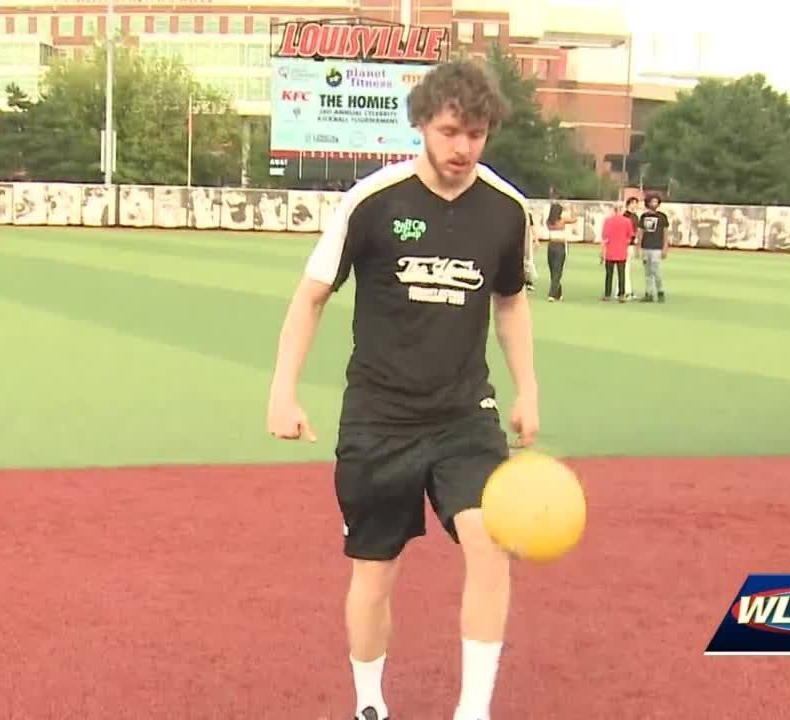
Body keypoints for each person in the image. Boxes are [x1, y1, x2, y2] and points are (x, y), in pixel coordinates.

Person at [266, 59, 539, 720]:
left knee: (490, 542)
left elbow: (511, 304)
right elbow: (310, 298)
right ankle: (369, 702)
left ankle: (473, 710)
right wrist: (282, 392)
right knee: (374, 570)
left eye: (476, 134)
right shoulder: (373, 201)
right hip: (378, 418)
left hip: (463, 415)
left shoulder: (506, 210)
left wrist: (527, 389)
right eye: (450, 131)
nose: (463, 148)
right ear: (422, 123)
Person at [638, 193, 670, 302]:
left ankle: (660, 291)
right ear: (648, 203)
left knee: (656, 271)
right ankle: (649, 293)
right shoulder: (644, 216)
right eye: (652, 201)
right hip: (646, 247)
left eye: (656, 201)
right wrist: (639, 247)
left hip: (657, 248)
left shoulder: (662, 217)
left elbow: (666, 233)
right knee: (647, 272)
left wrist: (665, 247)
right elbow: (640, 232)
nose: (654, 203)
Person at [601, 204, 634, 302]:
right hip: (622, 251)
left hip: (610, 252)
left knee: (609, 274)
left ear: (613, 210)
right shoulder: (627, 221)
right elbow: (630, 236)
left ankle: (607, 294)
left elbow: (605, 238)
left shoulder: (607, 221)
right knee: (621, 274)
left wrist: (602, 252)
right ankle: (621, 294)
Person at [544, 186, 568, 301]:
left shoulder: (549, 222)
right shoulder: (562, 221)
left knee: (553, 269)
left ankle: (558, 293)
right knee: (558, 270)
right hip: (560, 246)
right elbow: (574, 218)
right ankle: (552, 294)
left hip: (551, 245)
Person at [622, 196, 641, 300]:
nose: (635, 205)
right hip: (625, 244)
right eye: (633, 203)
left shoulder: (635, 216)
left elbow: (636, 230)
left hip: (631, 244)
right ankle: (625, 291)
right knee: (625, 268)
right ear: (628, 204)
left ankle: (626, 290)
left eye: (636, 203)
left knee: (627, 268)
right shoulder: (625, 216)